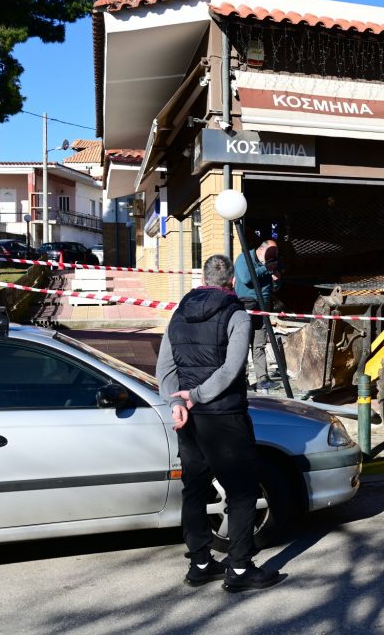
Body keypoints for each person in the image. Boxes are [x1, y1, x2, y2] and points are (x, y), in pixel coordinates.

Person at [156, 253, 285, 592]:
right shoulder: (236, 314)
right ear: (231, 282)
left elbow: (164, 369)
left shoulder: (179, 312)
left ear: (202, 278)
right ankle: (239, 570)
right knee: (242, 492)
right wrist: (195, 396)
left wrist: (177, 401)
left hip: (190, 420)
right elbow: (231, 370)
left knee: (194, 489)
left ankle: (200, 564)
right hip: (224, 416)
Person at [233, 239, 282, 391]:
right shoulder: (244, 258)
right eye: (270, 254)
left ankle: (263, 379)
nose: (271, 257)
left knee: (259, 345)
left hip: (263, 307)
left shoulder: (268, 263)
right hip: (245, 305)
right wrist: (265, 269)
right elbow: (247, 278)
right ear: (261, 249)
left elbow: (274, 287)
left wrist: (276, 279)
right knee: (243, 344)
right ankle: (243, 380)